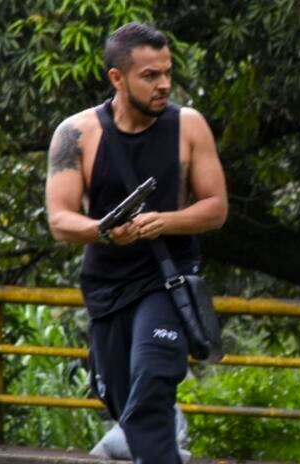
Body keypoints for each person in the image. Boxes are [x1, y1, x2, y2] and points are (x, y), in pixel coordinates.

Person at [45, 22, 228, 464]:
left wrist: (165, 221)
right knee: (123, 402)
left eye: (167, 72)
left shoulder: (188, 126)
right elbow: (60, 219)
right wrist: (104, 231)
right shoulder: (76, 133)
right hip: (107, 288)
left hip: (167, 281)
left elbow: (216, 208)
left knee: (151, 384)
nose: (163, 84)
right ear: (117, 78)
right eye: (150, 75)